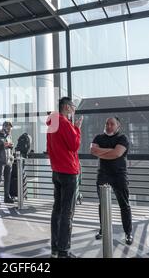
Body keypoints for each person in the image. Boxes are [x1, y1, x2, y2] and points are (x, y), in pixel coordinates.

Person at [46, 97, 83, 258]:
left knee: (57, 210)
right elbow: (74, 145)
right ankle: (63, 251)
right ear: (67, 107)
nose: (74, 109)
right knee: (67, 213)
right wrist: (77, 128)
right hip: (68, 172)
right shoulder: (64, 123)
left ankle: (55, 248)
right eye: (73, 107)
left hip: (57, 171)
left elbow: (51, 147)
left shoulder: (52, 123)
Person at [90, 117, 133, 245]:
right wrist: (112, 151)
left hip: (120, 175)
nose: (108, 126)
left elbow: (117, 154)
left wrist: (102, 152)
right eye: (107, 123)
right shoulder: (98, 138)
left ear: (118, 126)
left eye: (112, 124)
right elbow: (93, 150)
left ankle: (128, 233)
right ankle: (103, 230)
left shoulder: (123, 138)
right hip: (103, 175)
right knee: (102, 205)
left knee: (124, 205)